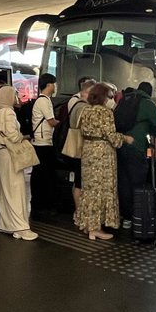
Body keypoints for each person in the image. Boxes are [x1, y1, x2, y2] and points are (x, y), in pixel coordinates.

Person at [75, 84, 132, 241]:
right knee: (101, 189)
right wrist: (125, 138)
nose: (111, 99)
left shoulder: (86, 110)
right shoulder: (105, 112)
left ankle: (88, 224)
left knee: (90, 189)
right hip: (102, 154)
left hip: (88, 151)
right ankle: (96, 229)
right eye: (109, 96)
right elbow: (111, 136)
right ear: (103, 97)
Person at [0, 83, 39, 240]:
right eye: (14, 94)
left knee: (5, 189)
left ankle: (6, 224)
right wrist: (23, 137)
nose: (17, 97)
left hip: (0, 151)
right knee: (16, 189)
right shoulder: (8, 112)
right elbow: (13, 136)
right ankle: (21, 227)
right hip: (9, 153)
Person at [114, 81, 156, 227]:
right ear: (150, 92)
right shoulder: (147, 103)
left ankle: (126, 217)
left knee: (123, 182)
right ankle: (139, 216)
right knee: (137, 182)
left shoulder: (125, 100)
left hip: (120, 145)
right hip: (137, 146)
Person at [63, 77, 96, 213]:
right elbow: (88, 129)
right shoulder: (84, 107)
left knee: (78, 182)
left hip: (75, 148)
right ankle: (80, 213)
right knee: (81, 184)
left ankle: (79, 212)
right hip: (81, 149)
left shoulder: (76, 104)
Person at [28, 73, 59, 217]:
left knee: (40, 174)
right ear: (49, 85)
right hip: (43, 142)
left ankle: (39, 203)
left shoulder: (42, 100)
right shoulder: (44, 101)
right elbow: (51, 122)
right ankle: (40, 205)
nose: (55, 86)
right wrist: (63, 124)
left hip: (40, 142)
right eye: (54, 83)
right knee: (43, 175)